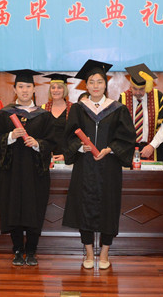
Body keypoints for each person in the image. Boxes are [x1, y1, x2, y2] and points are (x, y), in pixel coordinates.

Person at [63, 59, 136, 270]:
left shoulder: (117, 109)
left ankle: (104, 253)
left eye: (99, 82)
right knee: (83, 207)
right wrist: (79, 147)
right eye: (91, 82)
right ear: (86, 85)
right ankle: (88, 252)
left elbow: (127, 138)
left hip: (109, 166)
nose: (95, 86)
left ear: (106, 84)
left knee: (109, 207)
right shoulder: (78, 109)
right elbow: (68, 137)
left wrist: (110, 149)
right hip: (84, 166)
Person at [0, 69, 56, 266]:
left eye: (28, 86)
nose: (24, 90)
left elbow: (52, 141)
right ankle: (18, 249)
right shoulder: (4, 114)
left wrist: (37, 144)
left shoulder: (44, 116)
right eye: (21, 87)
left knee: (34, 208)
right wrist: (10, 136)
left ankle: (32, 250)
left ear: (34, 89)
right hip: (11, 172)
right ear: (15, 89)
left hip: (36, 172)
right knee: (13, 207)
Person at [118, 63, 163, 166]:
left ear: (147, 86)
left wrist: (152, 145)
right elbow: (119, 128)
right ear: (130, 86)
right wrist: (128, 148)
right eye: (134, 89)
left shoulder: (158, 97)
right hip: (130, 150)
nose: (137, 93)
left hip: (154, 148)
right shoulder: (123, 98)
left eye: (141, 89)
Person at [41, 73, 73, 167]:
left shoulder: (73, 109)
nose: (56, 90)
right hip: (47, 157)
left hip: (68, 157)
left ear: (64, 89)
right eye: (53, 87)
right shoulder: (43, 109)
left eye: (59, 87)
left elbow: (75, 137)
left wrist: (66, 155)